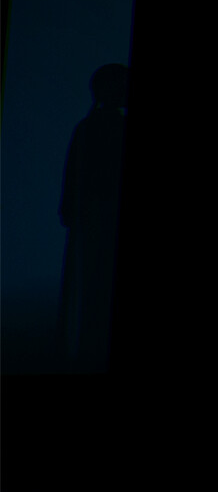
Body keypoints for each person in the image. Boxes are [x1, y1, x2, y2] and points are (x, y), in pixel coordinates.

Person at [58, 63, 128, 371]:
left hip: (90, 219)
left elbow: (73, 175)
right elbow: (76, 175)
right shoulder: (98, 129)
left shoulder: (87, 128)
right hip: (97, 220)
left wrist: (70, 209)